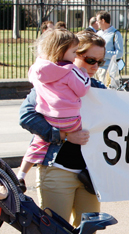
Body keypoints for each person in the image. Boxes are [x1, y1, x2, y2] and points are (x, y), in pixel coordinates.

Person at [19, 31, 107, 234]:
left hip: (90, 175)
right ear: (71, 54)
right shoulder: (51, 80)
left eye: (100, 61)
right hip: (56, 168)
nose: (94, 66)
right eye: (89, 59)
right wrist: (63, 135)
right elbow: (27, 115)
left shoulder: (96, 87)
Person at [17, 29, 91, 193]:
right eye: (73, 52)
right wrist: (85, 76)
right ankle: (90, 171)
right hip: (70, 119)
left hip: (49, 116)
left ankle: (21, 174)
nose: (74, 56)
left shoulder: (38, 69)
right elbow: (82, 89)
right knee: (91, 128)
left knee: (37, 143)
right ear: (61, 51)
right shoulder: (70, 70)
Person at [96, 11, 124, 82]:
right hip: (96, 68)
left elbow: (119, 53)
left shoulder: (115, 34)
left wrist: (103, 54)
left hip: (107, 69)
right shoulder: (98, 34)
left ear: (103, 20)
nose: (96, 23)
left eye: (98, 20)